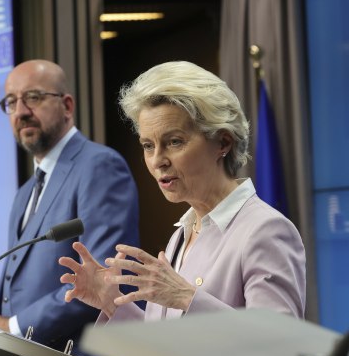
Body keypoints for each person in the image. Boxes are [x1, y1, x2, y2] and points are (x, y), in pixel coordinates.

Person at [59, 61, 306, 325]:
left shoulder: (265, 230)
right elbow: (169, 343)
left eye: (174, 142)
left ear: (223, 142)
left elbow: (278, 343)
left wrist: (187, 297)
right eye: (148, 145)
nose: (157, 161)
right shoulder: (182, 235)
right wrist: (112, 302)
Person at [0, 60, 139, 355]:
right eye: (11, 102)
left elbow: (101, 279)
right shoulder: (25, 192)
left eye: (33, 97)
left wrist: (11, 326)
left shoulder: (99, 166)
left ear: (67, 106)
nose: (21, 111)